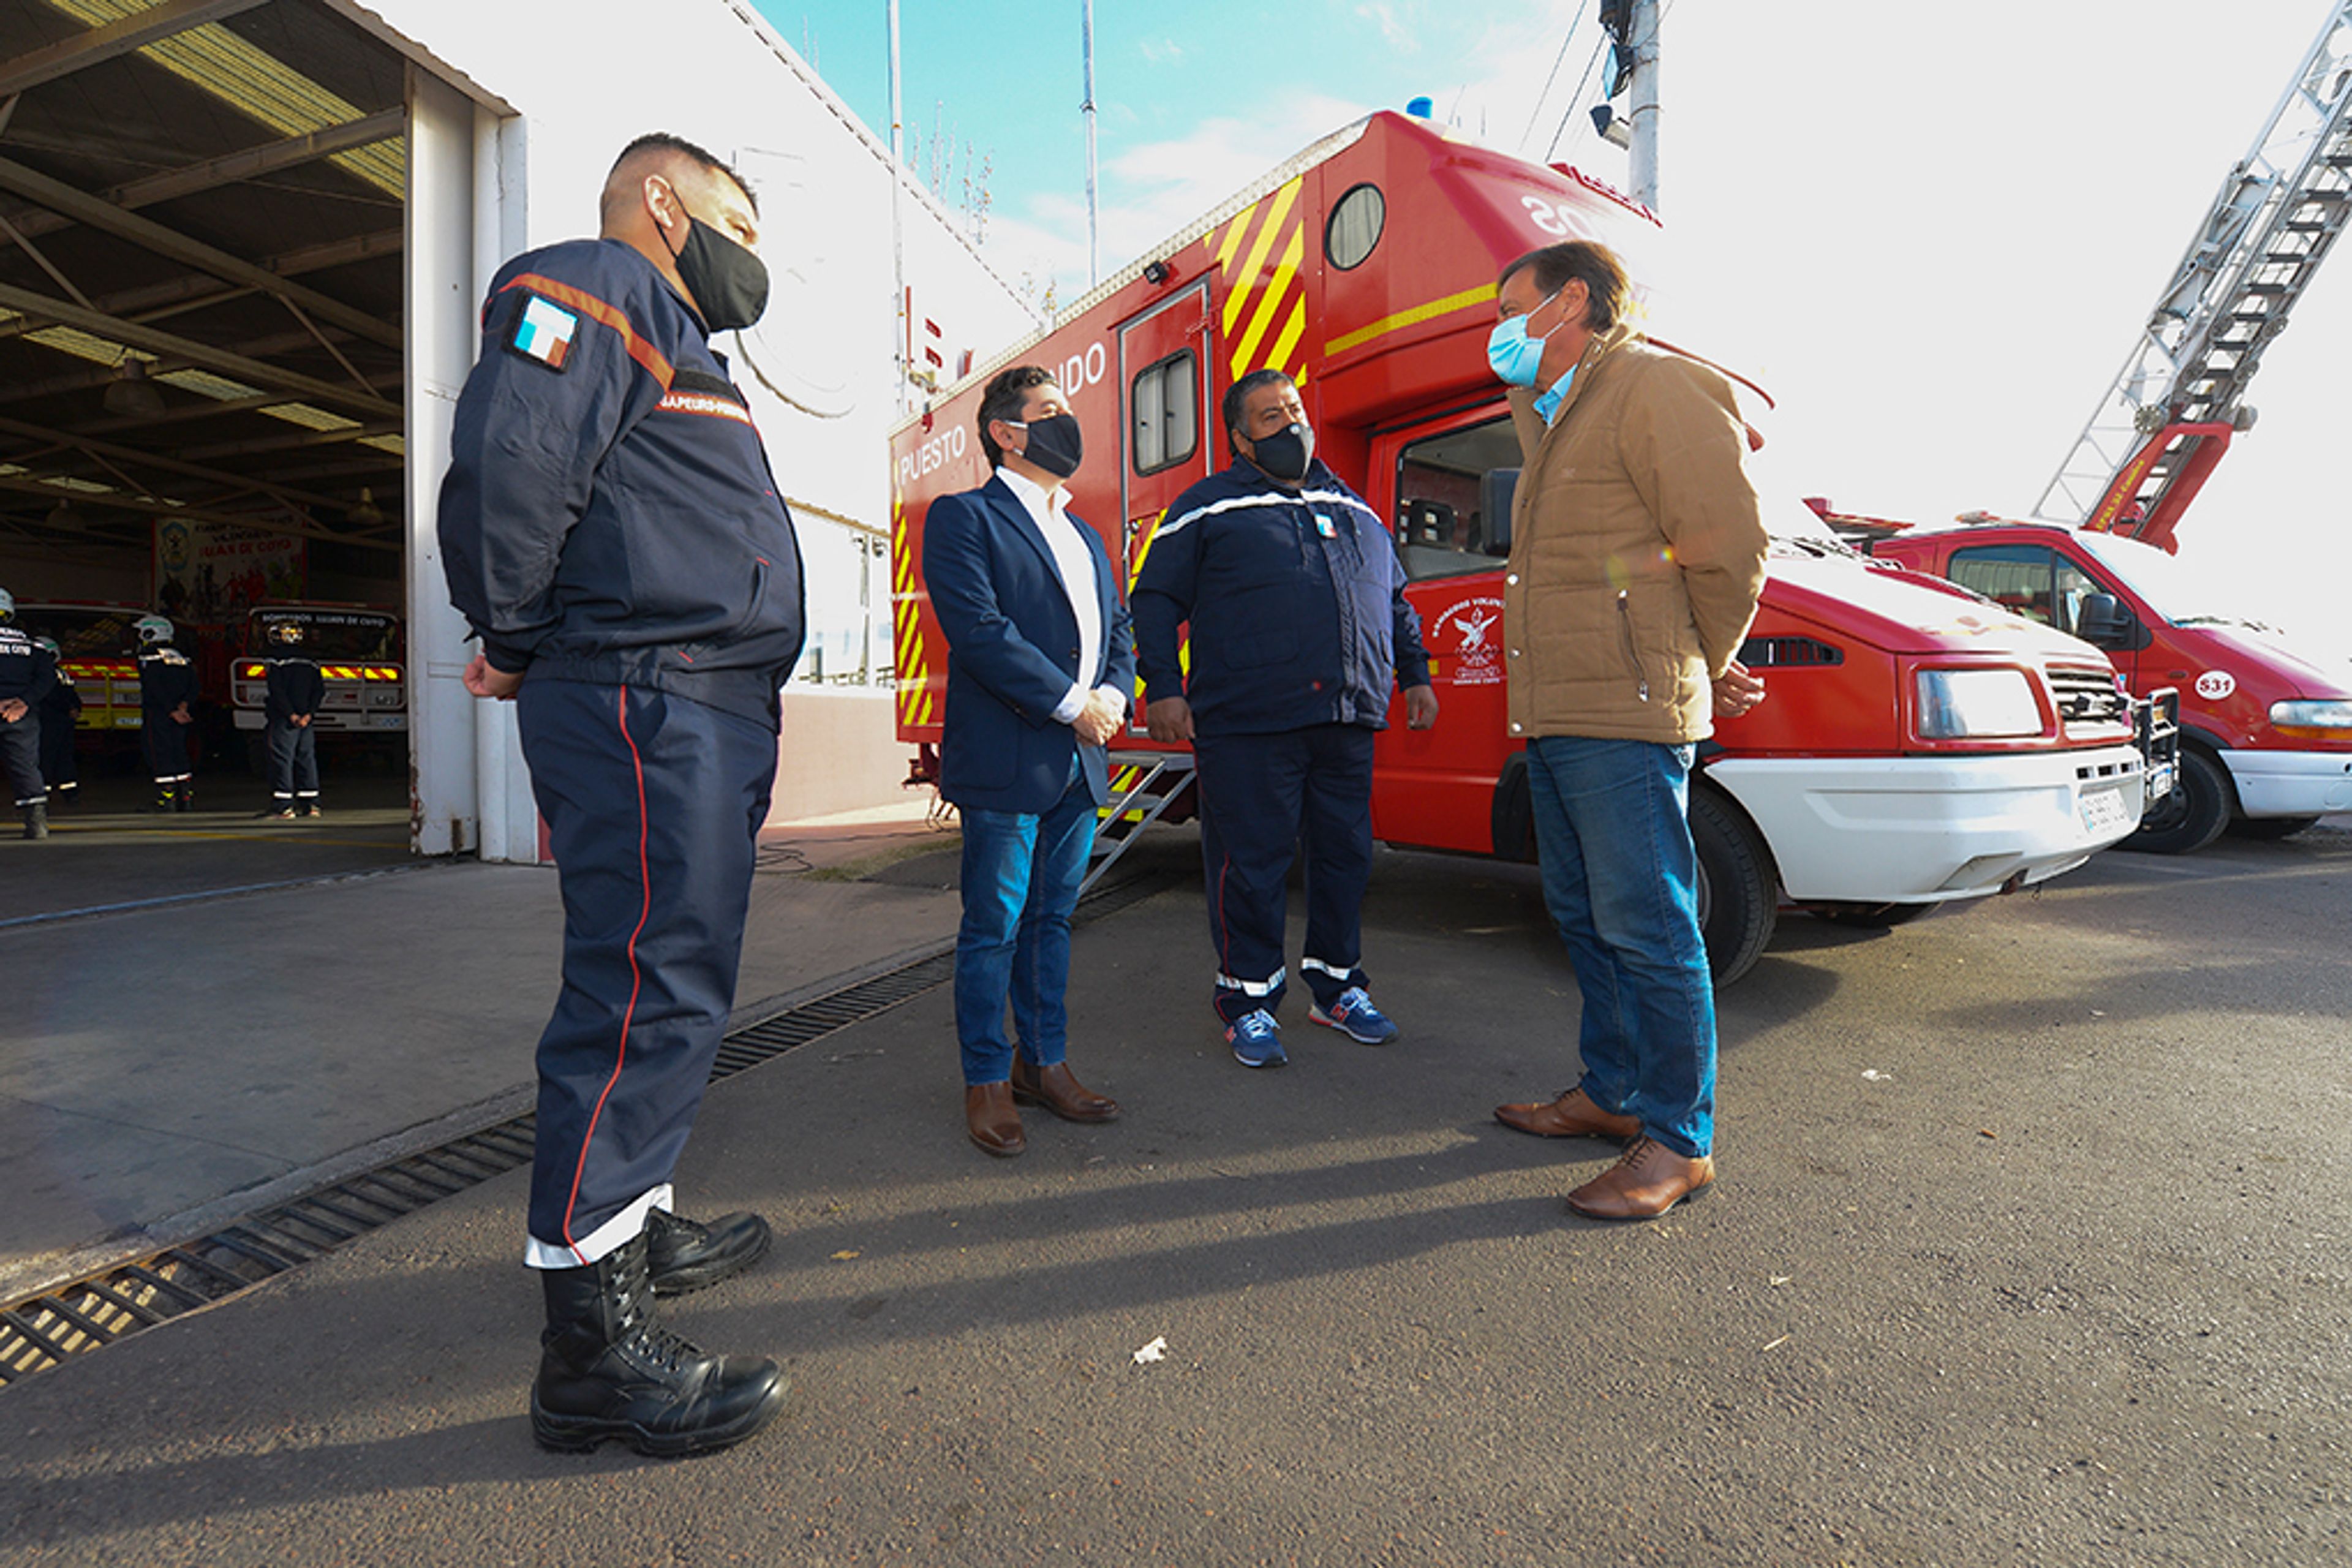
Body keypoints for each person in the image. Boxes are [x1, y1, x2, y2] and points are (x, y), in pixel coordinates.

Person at [438, 132, 805, 1457]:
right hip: (649, 692)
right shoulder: (601, 279)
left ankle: (632, 1218)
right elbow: (509, 465)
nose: (751, 256)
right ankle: (591, 1352)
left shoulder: (684, 347)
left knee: (679, 978)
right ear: (664, 205)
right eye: (737, 221)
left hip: (700, 701)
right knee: (644, 985)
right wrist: (520, 628)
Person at [1482, 240, 1769, 1221]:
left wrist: (1691, 656)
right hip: (1561, 709)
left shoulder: (1656, 386)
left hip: (1623, 707)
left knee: (1651, 927)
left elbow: (1728, 546)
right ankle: (1612, 1095)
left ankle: (1680, 1142)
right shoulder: (1556, 414)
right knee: (1584, 913)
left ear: (1569, 303)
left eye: (1510, 306)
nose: (1500, 330)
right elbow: (1607, 563)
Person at [1132, 369, 1438, 1069]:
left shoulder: (1354, 508)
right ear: (1241, 440)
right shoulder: (1205, 507)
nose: (1288, 424)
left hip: (1346, 714)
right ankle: (1248, 1002)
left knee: (1344, 858)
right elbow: (1153, 600)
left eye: (1294, 410)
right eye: (1269, 417)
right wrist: (1164, 688)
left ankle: (1336, 987)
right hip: (1249, 721)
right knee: (1254, 865)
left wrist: (1415, 674)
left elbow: (1393, 599)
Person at [922, 365, 1134, 1157]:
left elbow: (1119, 630)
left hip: (1079, 763)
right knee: (994, 927)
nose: (1065, 423)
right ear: (1008, 433)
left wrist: (1113, 692)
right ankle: (984, 1077)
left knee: (1052, 921)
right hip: (1011, 755)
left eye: (1067, 410)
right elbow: (978, 633)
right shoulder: (964, 518)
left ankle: (1041, 1064)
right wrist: (1073, 704)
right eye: (1049, 411)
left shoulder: (1085, 535)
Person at [0, 589, 55, 840]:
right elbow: (48, 678)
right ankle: (36, 823)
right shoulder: (34, 646)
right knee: (25, 766)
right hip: (21, 714)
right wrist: (23, 702)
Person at [259, 619, 323, 818]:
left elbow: (276, 691)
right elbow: (319, 690)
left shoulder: (275, 660)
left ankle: (283, 805)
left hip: (285, 719)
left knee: (282, 759)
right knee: (306, 758)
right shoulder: (311, 661)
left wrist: (291, 714)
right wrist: (309, 714)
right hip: (306, 719)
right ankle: (311, 804)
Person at [134, 614, 197, 812]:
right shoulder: (181, 658)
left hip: (159, 713)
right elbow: (194, 685)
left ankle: (167, 799)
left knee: (159, 753)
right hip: (181, 714)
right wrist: (184, 707)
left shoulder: (149, 658)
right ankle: (185, 797)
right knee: (180, 752)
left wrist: (170, 710)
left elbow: (154, 688)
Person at [34, 636, 80, 807]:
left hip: (49, 721)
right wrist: (74, 709)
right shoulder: (61, 673)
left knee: (46, 756)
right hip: (63, 721)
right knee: (64, 757)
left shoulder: (43, 674)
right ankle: (70, 792)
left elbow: (52, 696)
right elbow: (72, 696)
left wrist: (70, 709)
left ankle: (42, 792)